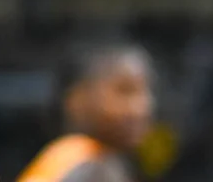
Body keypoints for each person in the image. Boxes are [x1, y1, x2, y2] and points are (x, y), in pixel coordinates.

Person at [17, 44, 156, 182]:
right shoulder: (87, 165)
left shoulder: (62, 159)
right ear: (78, 99)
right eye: (124, 91)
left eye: (146, 91)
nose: (142, 106)